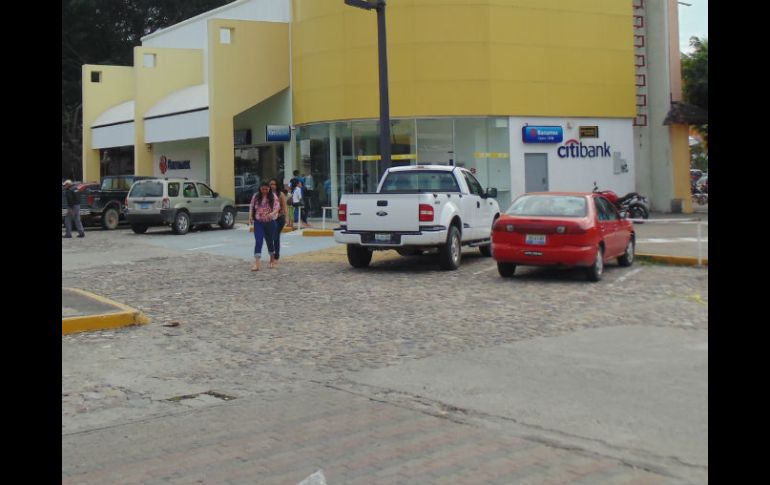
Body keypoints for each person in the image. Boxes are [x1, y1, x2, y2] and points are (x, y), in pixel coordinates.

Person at [248, 182, 280, 271]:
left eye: (266, 189)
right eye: (263, 189)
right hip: (258, 222)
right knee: (258, 241)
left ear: (269, 189)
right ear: (260, 188)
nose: (264, 191)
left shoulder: (273, 196)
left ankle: (272, 259)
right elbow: (251, 206)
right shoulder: (256, 196)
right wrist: (250, 216)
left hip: (270, 222)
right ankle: (257, 263)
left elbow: (277, 207)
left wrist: (272, 214)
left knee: (269, 241)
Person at [269, 178, 288, 261]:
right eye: (271, 184)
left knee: (275, 236)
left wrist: (286, 217)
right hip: (271, 218)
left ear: (277, 185)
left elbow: (285, 206)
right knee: (273, 236)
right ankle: (274, 253)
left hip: (280, 218)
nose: (272, 186)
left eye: (274, 184)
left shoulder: (280, 194)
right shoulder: (268, 194)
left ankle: (276, 254)